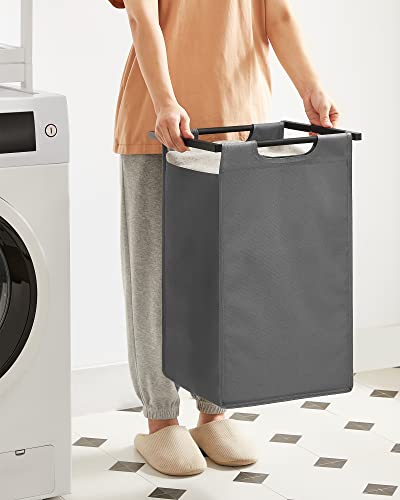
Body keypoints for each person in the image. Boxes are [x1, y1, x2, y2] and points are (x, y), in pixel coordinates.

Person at [109, 0, 339, 476]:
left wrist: (311, 87)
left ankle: (213, 411)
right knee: (156, 276)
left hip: (238, 127)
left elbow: (277, 17)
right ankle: (160, 418)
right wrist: (165, 99)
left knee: (227, 277)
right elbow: (142, 17)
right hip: (161, 126)